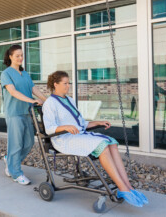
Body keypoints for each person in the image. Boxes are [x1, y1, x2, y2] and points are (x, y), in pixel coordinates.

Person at [42, 71, 148, 207]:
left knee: (112, 143)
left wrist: (97, 122)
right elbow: (49, 128)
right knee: (102, 146)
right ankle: (122, 188)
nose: (68, 86)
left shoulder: (69, 100)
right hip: (63, 139)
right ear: (55, 84)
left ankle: (128, 186)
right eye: (65, 83)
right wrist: (65, 127)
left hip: (77, 135)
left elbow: (81, 123)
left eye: (69, 83)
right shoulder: (50, 103)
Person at [1, 45, 47, 185]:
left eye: (21, 55)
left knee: (28, 142)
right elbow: (13, 92)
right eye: (17, 56)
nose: (20, 58)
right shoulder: (6, 73)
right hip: (14, 113)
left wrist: (48, 101)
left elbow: (34, 89)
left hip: (27, 112)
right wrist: (31, 100)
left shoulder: (25, 73)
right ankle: (15, 173)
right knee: (16, 144)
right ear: (10, 57)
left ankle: (10, 160)